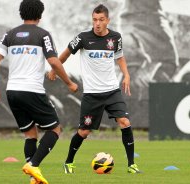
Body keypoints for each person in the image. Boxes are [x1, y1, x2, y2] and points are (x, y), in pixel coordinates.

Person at [0, 0, 78, 183]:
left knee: (30, 134)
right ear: (40, 15)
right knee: (55, 128)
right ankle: (33, 165)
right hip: (32, 90)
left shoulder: (10, 34)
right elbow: (53, 62)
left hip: (12, 92)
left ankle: (33, 177)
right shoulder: (43, 34)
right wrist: (69, 82)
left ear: (21, 13)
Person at [47, 4, 141, 174]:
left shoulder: (115, 37)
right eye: (95, 20)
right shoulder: (83, 38)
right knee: (84, 131)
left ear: (108, 20)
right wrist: (54, 68)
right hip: (92, 94)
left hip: (112, 91)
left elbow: (120, 58)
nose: (97, 23)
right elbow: (66, 53)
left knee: (125, 123)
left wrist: (126, 75)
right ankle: (68, 162)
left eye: (101, 20)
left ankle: (131, 165)